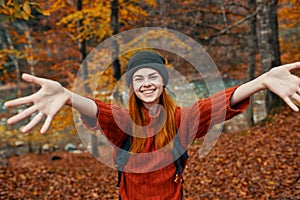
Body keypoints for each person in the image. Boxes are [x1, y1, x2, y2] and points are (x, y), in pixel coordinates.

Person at [4, 51, 300, 200]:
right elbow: (100, 111)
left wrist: (261, 82)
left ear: (163, 81)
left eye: (153, 76)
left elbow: (217, 104)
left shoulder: (182, 121)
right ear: (132, 85)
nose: (147, 84)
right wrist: (68, 97)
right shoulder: (124, 121)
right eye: (139, 79)